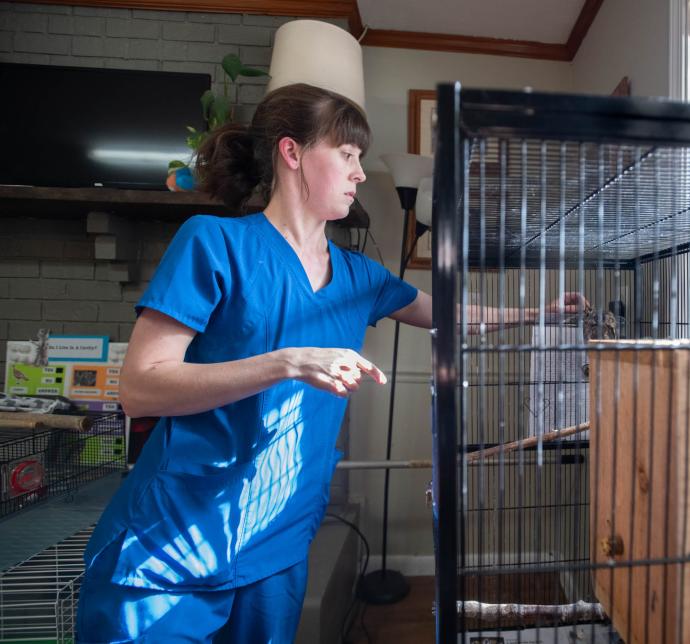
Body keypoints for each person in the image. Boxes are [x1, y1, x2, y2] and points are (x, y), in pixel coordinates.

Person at [76, 83, 585, 643]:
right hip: (173, 541)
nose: (360, 173)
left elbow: (445, 312)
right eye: (347, 155)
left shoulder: (360, 276)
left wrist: (538, 313)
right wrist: (285, 363)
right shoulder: (213, 242)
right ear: (292, 153)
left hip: (278, 539)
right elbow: (141, 388)